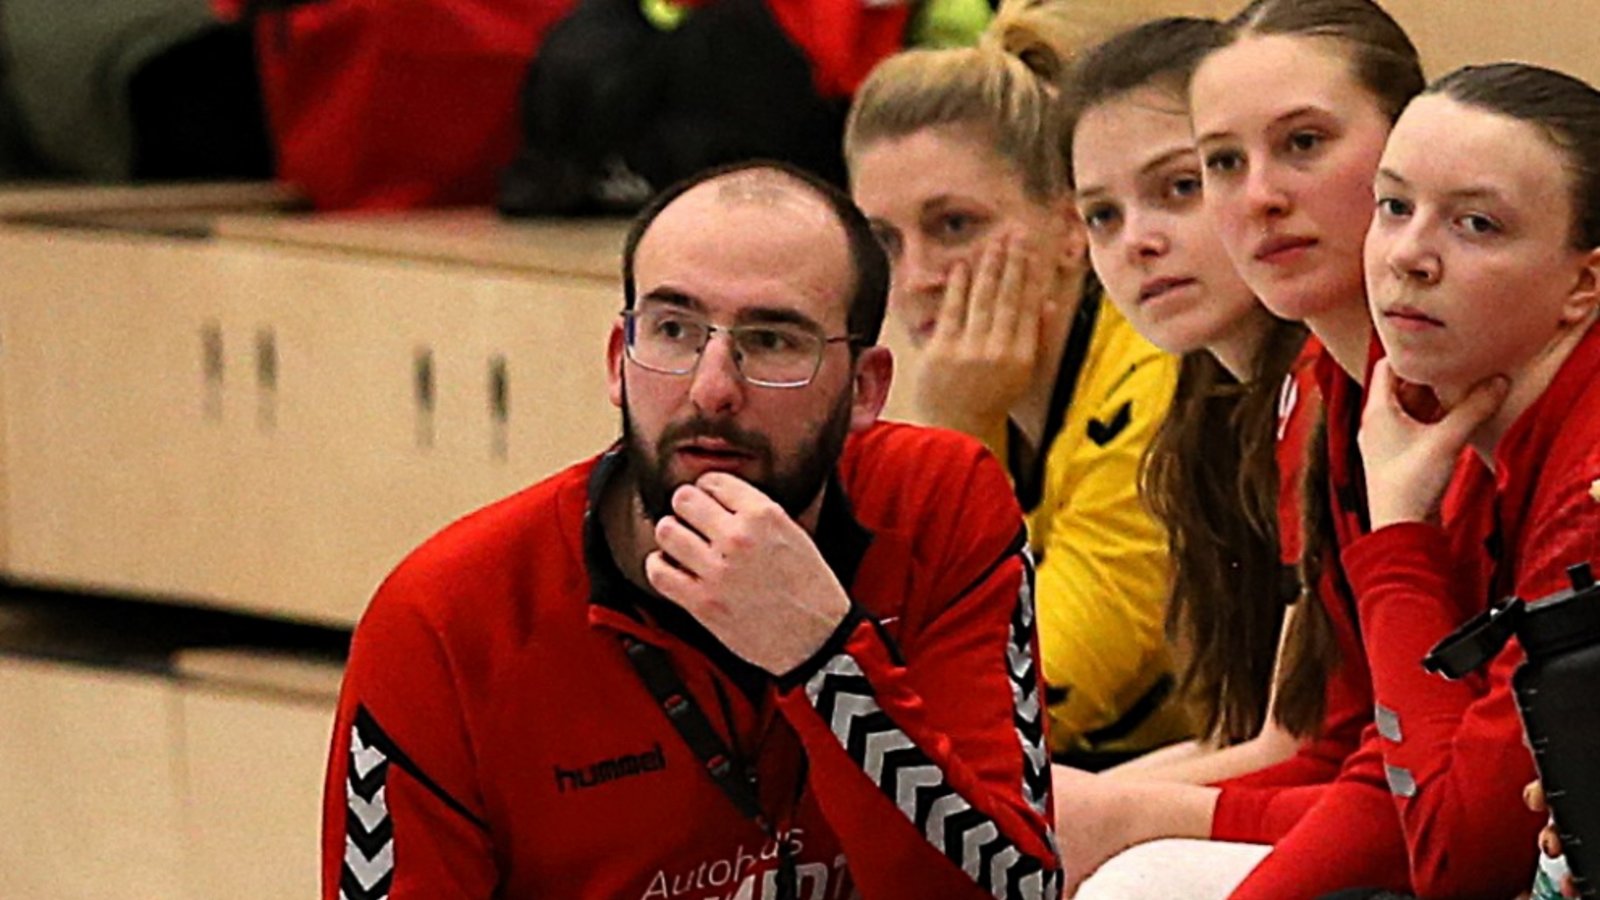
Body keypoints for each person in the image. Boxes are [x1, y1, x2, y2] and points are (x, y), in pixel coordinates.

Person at [319, 160, 1063, 900]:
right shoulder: (444, 618)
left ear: (865, 388)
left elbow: (1012, 894)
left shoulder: (937, 506)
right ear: (619, 362)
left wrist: (821, 657)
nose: (712, 389)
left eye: (772, 341)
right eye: (673, 330)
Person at [845, 0, 1189, 767]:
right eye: (884, 242)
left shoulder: (1156, 381)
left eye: (954, 226)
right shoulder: (978, 383)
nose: (917, 278)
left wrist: (951, 441)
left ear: (1071, 226)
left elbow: (1025, 703)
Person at [1352, 60, 1600, 899]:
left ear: (1585, 284)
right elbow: (1386, 768)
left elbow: (1461, 864)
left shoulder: (1589, 490)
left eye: (1477, 224)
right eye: (1393, 206)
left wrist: (1396, 537)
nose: (1408, 256)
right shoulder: (1472, 418)